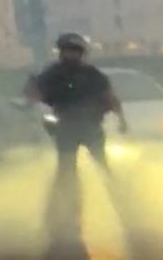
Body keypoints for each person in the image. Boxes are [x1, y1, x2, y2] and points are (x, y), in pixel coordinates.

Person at [25, 33, 127, 173]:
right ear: (62, 52)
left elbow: (110, 97)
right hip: (66, 128)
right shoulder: (52, 74)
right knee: (66, 169)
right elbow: (35, 94)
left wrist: (121, 119)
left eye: (75, 51)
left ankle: (120, 193)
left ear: (81, 53)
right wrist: (30, 97)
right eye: (68, 51)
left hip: (91, 126)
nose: (71, 55)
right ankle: (68, 193)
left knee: (103, 166)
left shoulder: (92, 74)